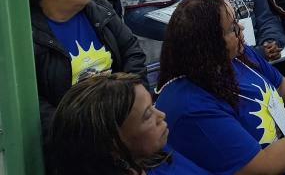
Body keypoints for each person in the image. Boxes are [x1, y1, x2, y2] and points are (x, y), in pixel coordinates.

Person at [155, 0, 285, 175]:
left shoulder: (237, 55)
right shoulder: (192, 107)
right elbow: (261, 165)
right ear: (208, 43)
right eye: (232, 28)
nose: (242, 28)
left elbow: (281, 84)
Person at [28, 0, 146, 132]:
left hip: (123, 110)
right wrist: (76, 128)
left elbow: (132, 50)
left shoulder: (99, 8)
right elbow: (33, 101)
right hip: (76, 133)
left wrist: (130, 99)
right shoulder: (30, 37)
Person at [49, 72, 210, 175]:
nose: (161, 115)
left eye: (152, 106)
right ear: (111, 145)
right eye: (147, 115)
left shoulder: (155, 154)